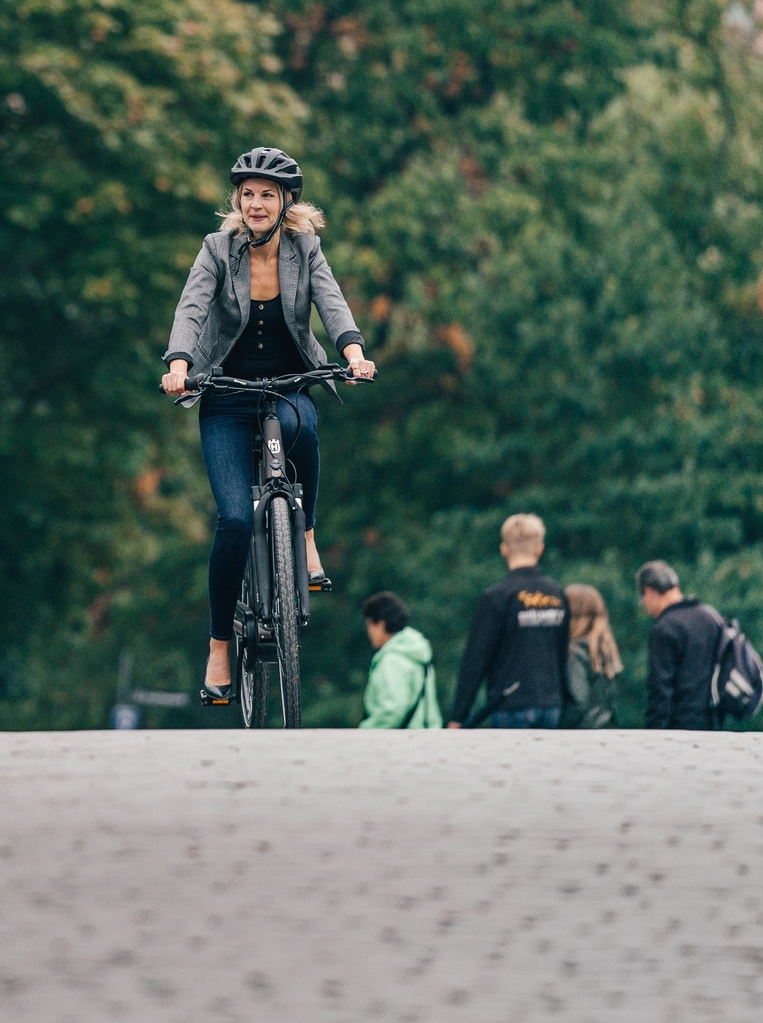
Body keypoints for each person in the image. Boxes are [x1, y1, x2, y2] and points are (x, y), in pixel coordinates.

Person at [159, 147, 378, 704]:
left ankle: (304, 536)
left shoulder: (306, 249)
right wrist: (180, 365)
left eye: (267, 195)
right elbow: (192, 306)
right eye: (248, 194)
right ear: (238, 200)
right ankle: (217, 648)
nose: (256, 204)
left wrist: (352, 352)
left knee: (304, 427)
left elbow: (332, 304)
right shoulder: (217, 249)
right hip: (226, 395)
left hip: (286, 384)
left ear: (285, 203)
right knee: (233, 520)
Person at [447, 513, 569, 728]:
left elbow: (476, 659)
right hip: (550, 705)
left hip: (510, 705)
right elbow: (561, 653)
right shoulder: (556, 594)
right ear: (540, 548)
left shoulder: (497, 596)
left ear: (504, 549)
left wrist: (459, 715)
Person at [638, 560, 723, 730]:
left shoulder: (665, 627)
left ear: (648, 592)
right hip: (713, 723)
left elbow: (661, 689)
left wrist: (654, 732)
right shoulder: (710, 618)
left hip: (679, 726)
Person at [358, 591, 443, 729]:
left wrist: (364, 732)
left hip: (402, 743)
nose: (368, 631)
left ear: (380, 624)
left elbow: (392, 711)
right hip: (427, 737)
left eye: (369, 624)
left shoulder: (392, 660)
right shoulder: (418, 654)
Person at [562, 583, 621, 729]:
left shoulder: (575, 653)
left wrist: (555, 727)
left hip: (582, 735)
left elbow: (578, 702)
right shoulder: (605, 651)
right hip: (607, 730)